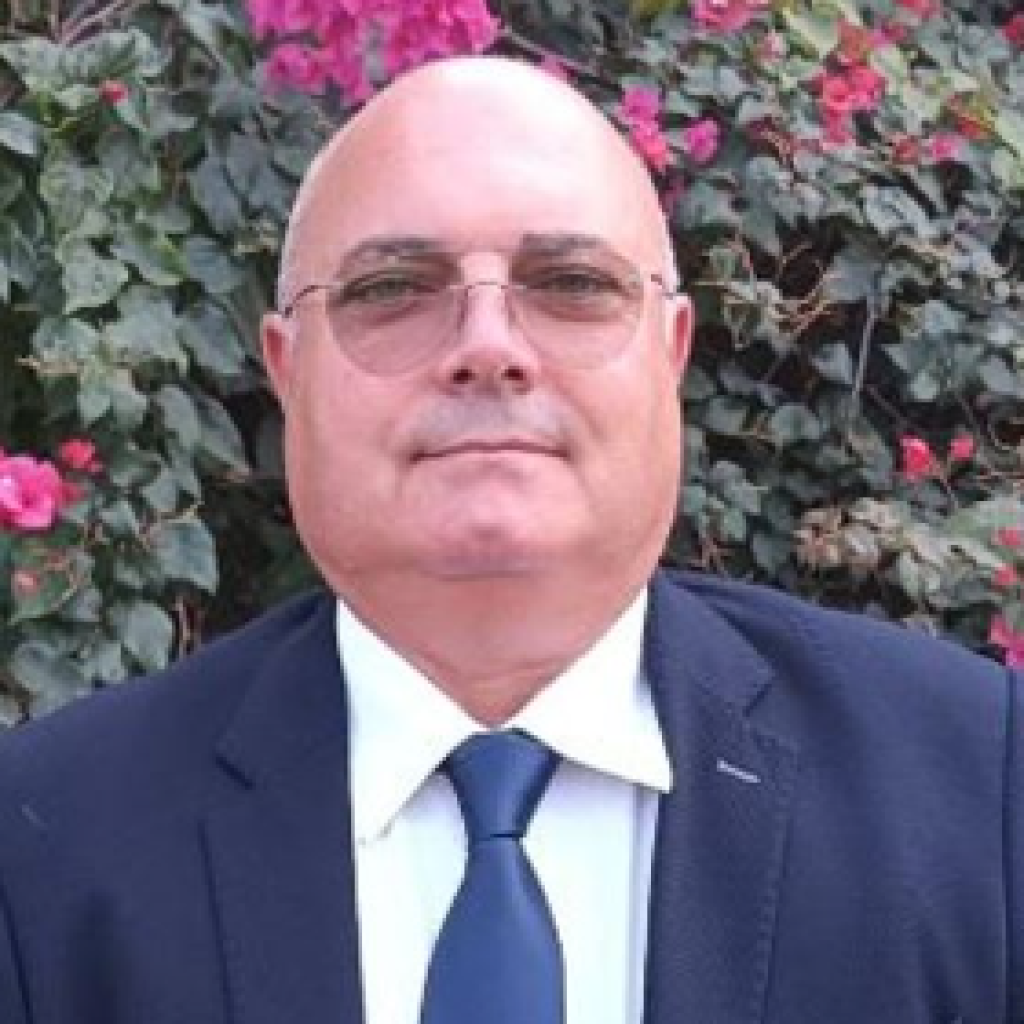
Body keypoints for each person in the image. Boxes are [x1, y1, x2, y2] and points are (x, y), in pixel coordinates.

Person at [0, 55, 1020, 1024]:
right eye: (393, 288)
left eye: (570, 283)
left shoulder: (987, 790)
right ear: (288, 368)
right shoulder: (40, 845)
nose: (487, 347)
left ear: (670, 353)